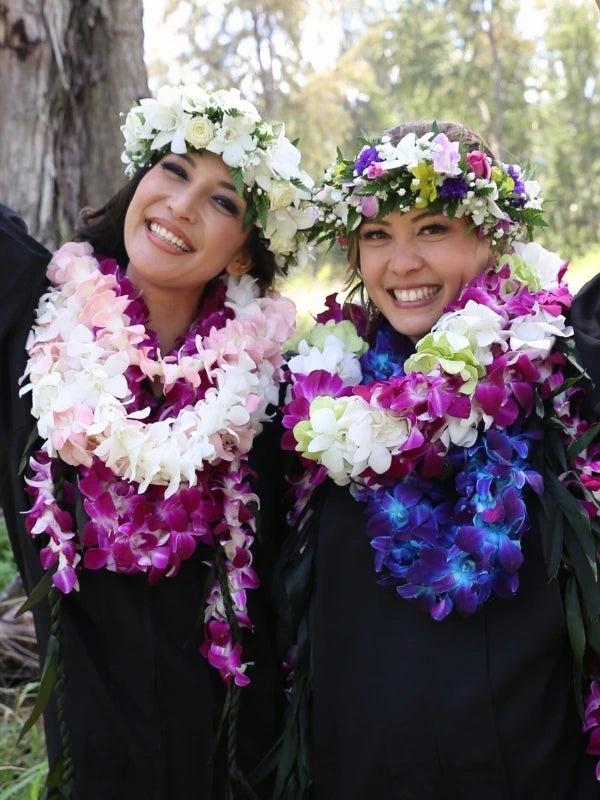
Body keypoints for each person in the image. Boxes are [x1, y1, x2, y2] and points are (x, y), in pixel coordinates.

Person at [0, 84, 315, 799]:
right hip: (96, 763)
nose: (180, 204)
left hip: (240, 759)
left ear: (243, 255)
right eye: (173, 170)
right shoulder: (33, 323)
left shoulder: (274, 392)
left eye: (222, 200)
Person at [273, 121, 600, 798]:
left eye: (431, 229)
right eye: (376, 236)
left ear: (491, 237)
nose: (401, 263)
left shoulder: (565, 387)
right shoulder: (320, 408)